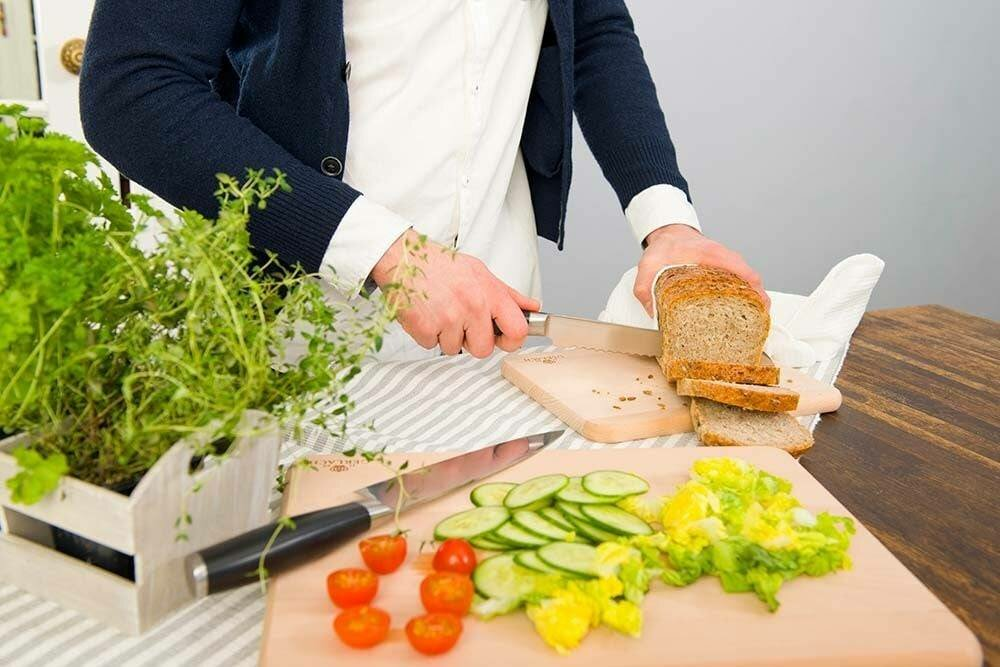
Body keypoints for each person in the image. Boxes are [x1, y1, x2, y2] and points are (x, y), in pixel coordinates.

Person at [80, 1, 765, 361]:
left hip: (498, 325)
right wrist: (391, 253)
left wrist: (666, 220)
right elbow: (131, 85)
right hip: (296, 340)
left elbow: (592, 27)